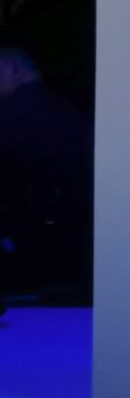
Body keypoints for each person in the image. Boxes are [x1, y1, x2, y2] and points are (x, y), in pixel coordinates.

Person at [0, 40, 92, 300]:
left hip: (44, 247)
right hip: (72, 243)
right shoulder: (64, 111)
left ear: (14, 71)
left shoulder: (17, 112)